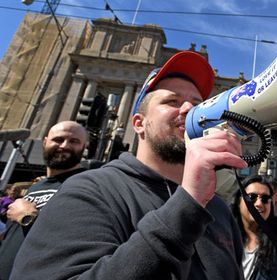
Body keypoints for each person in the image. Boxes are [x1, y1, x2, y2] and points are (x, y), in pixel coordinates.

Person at [10, 51, 247, 279]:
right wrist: (188, 204)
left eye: (197, 104)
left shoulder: (218, 210)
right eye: (172, 101)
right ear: (139, 124)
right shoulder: (89, 191)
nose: (188, 110)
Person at [0, 120, 88, 279]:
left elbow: (78, 241)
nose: (64, 145)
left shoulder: (87, 185)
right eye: (58, 139)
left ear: (84, 147)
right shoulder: (36, 186)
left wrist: (28, 218)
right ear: (45, 141)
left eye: (74, 141)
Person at [230, 175, 277, 280]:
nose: (259, 203)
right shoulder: (221, 241)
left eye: (265, 199)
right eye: (252, 197)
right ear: (238, 201)